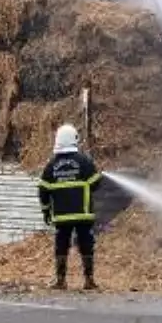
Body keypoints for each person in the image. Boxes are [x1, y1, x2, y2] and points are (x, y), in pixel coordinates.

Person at [37, 124, 103, 290]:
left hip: (61, 216)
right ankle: (89, 280)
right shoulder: (84, 161)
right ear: (75, 139)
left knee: (61, 245)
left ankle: (61, 280)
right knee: (86, 244)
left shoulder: (51, 165)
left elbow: (43, 190)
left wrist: (46, 210)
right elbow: (97, 183)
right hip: (83, 214)